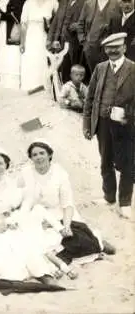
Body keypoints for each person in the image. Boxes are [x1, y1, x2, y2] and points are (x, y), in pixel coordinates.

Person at [17, 140, 115, 270]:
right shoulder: (25, 173)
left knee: (71, 237)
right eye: (34, 155)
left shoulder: (59, 174)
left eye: (42, 153)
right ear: (31, 158)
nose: (39, 157)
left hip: (59, 212)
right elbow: (19, 198)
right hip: (35, 213)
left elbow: (67, 204)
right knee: (36, 244)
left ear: (49, 155)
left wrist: (66, 225)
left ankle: (98, 242)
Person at [0, 146, 57, 284]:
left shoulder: (10, 182)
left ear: (6, 165)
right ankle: (13, 277)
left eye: (0, 163)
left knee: (25, 244)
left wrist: (15, 217)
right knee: (1, 250)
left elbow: (24, 200)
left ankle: (42, 274)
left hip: (7, 223)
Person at [83, 32, 135, 219]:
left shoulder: (133, 68)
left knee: (128, 163)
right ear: (105, 50)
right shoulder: (100, 68)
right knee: (106, 161)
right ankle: (109, 196)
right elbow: (90, 98)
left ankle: (125, 202)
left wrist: (127, 115)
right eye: (108, 48)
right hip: (103, 123)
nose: (112, 51)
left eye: (116, 47)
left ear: (124, 48)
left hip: (126, 126)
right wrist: (87, 124)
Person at [20, 0, 58, 91]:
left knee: (43, 57)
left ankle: (44, 84)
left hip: (45, 35)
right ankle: (31, 84)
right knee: (31, 58)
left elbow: (58, 21)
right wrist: (22, 42)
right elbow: (23, 24)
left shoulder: (53, 2)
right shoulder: (28, 3)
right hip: (31, 35)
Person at [77, 0, 121, 75]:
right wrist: (83, 41)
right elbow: (81, 23)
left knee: (107, 75)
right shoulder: (89, 3)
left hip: (108, 49)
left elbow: (120, 25)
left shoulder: (116, 4)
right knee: (94, 74)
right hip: (90, 48)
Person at [46, 0, 86, 82]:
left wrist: (79, 26)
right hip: (59, 42)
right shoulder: (63, 2)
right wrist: (49, 39)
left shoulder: (86, 2)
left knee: (72, 70)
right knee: (58, 70)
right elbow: (55, 21)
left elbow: (89, 22)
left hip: (74, 43)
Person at [0, 0, 26, 89]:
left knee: (12, 57)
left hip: (14, 31)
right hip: (3, 30)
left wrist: (1, 16)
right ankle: (3, 82)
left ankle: (13, 85)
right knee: (3, 56)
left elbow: (19, 13)